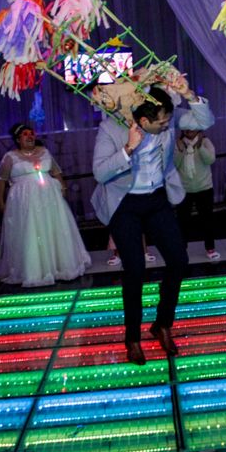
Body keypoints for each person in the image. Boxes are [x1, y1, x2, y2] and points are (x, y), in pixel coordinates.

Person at [91, 85, 214, 365]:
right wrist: (128, 148)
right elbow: (99, 172)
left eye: (169, 121)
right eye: (162, 123)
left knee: (179, 262)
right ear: (143, 120)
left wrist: (191, 96)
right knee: (135, 270)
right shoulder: (111, 128)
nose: (168, 126)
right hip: (125, 204)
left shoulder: (166, 116)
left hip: (157, 198)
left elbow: (204, 121)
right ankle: (132, 338)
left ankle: (162, 324)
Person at [0, 124, 91, 287]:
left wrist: (63, 187)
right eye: (25, 134)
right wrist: (0, 201)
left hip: (49, 200)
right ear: (18, 139)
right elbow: (1, 180)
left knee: (53, 229)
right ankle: (36, 270)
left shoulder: (44, 152)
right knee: (32, 232)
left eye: (31, 134)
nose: (30, 136)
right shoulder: (10, 157)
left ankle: (60, 266)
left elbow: (56, 172)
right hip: (25, 202)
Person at [174, 111, 220, 260]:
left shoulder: (206, 142)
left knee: (207, 220)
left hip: (204, 188)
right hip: (184, 189)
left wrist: (200, 147)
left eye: (192, 129)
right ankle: (181, 249)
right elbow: (174, 164)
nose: (189, 132)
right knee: (182, 221)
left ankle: (210, 249)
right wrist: (180, 150)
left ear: (199, 130)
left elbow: (210, 160)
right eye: (186, 130)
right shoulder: (177, 144)